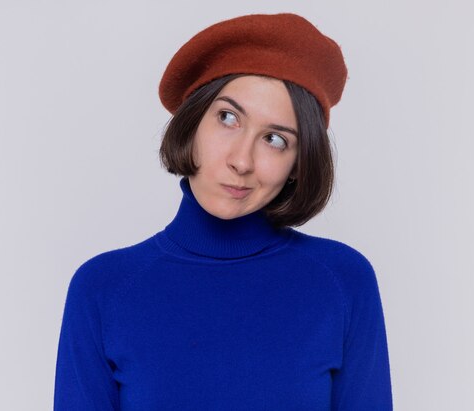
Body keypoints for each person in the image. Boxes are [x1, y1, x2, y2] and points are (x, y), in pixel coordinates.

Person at [54, 12, 393, 410]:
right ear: (192, 121)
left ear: (299, 164)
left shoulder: (342, 282)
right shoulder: (103, 289)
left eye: (274, 139)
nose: (242, 160)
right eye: (228, 118)